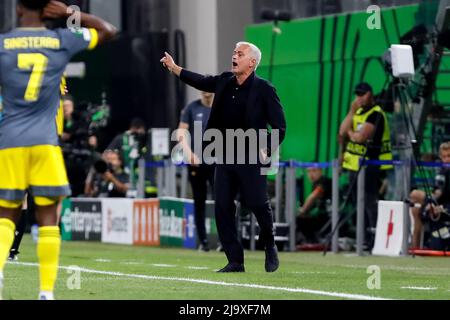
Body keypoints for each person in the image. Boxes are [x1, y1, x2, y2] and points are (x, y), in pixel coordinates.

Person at [0, 0, 117, 300]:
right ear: (46, 10)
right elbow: (108, 30)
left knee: (5, 215)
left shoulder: (3, 44)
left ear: (16, 9)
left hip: (9, 140)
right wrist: (69, 14)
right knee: (48, 218)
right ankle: (46, 292)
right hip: (45, 141)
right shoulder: (60, 40)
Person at [161, 41, 287, 273]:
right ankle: (235, 260)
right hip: (224, 152)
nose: (234, 56)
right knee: (222, 206)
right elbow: (201, 80)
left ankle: (269, 243)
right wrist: (175, 67)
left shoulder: (265, 89)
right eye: (234, 52)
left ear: (252, 62)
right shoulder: (225, 81)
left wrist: (267, 148)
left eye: (240, 53)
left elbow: (279, 126)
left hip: (251, 154)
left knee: (258, 203)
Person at [338, 82, 393, 250]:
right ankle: (363, 238)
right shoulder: (358, 112)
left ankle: (375, 238)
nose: (359, 98)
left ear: (370, 94)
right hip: (354, 166)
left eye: (362, 94)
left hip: (371, 165)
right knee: (358, 202)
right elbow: (342, 132)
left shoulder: (376, 114)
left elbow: (360, 138)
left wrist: (351, 134)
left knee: (370, 202)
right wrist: (351, 112)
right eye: (357, 95)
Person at [177, 91, 215, 252]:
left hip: (217, 162)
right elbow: (181, 132)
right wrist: (188, 153)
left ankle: (225, 241)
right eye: (204, 90)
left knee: (223, 201)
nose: (207, 93)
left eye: (210, 90)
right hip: (196, 163)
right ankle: (204, 242)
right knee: (199, 201)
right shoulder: (191, 108)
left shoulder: (220, 107)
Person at [409, 142, 450, 250]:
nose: (446, 159)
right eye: (444, 157)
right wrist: (431, 202)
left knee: (414, 194)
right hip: (439, 202)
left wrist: (436, 205)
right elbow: (438, 191)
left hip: (446, 206)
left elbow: (440, 193)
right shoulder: (442, 170)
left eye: (449, 156)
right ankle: (415, 248)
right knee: (415, 210)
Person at [296, 167, 332, 244]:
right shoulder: (315, 184)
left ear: (320, 171)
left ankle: (312, 241)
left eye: (314, 171)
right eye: (309, 171)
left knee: (300, 219)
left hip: (330, 219)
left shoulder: (324, 181)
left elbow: (312, 197)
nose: (311, 174)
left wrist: (302, 211)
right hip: (322, 216)